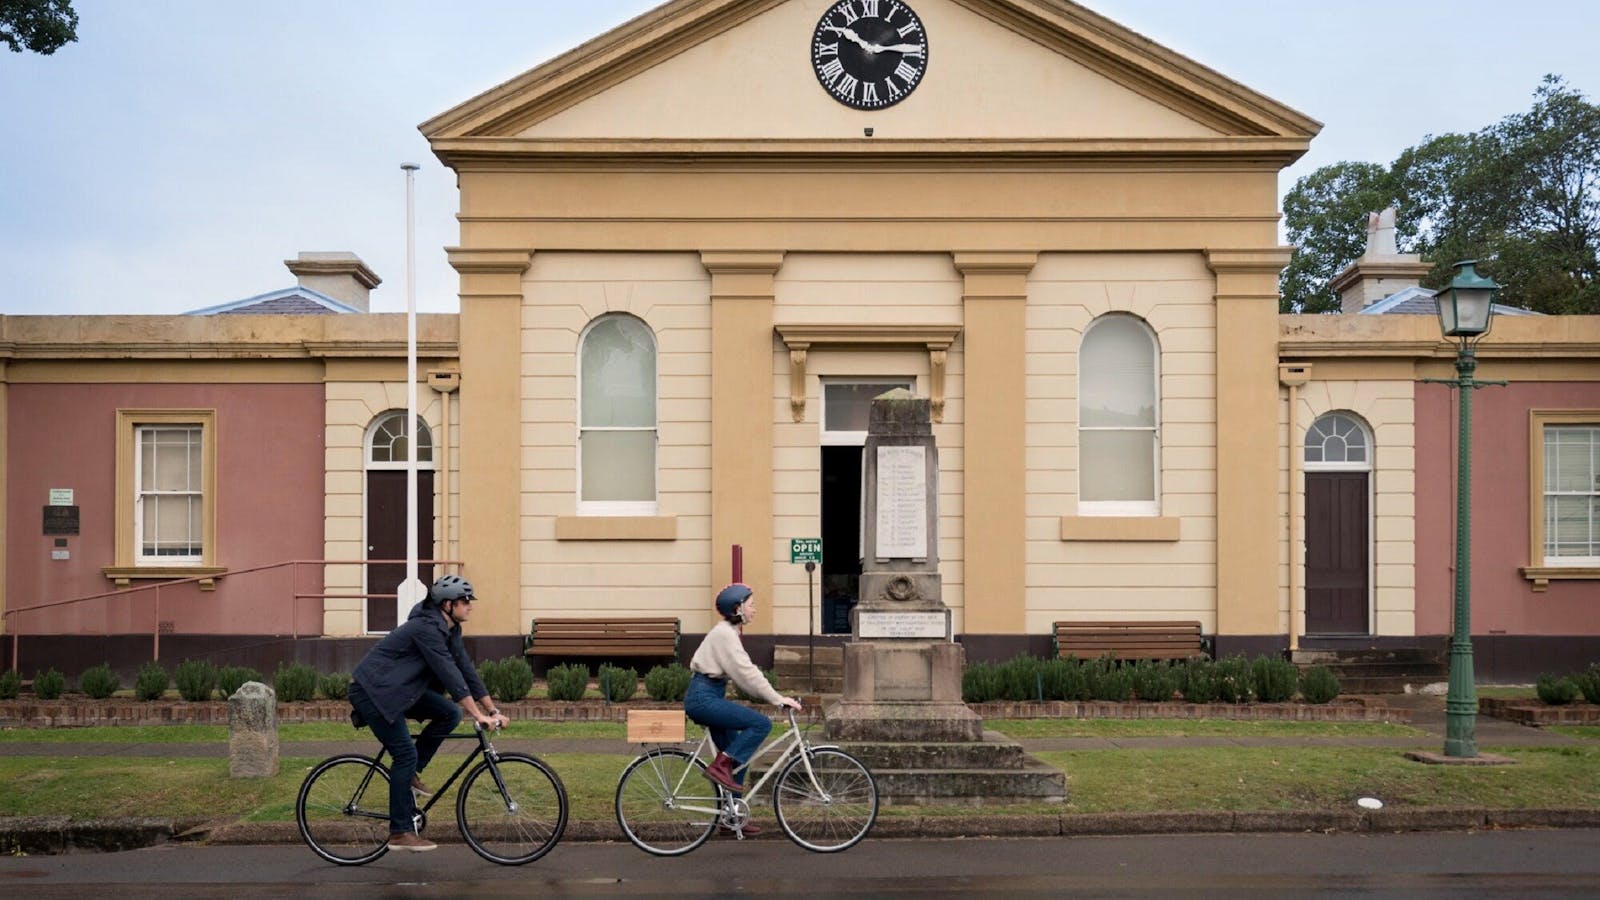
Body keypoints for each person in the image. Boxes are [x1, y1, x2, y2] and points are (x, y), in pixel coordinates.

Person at [348, 574, 509, 852]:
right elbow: (448, 674)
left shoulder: (450, 630)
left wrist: (492, 709)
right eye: (465, 601)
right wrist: (477, 715)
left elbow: (465, 670)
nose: (470, 605)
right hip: (373, 692)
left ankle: (411, 772)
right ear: (447, 605)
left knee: (449, 713)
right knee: (405, 754)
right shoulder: (426, 628)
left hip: (399, 691)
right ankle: (399, 832)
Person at [685, 583, 803, 824]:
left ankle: (732, 818)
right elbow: (746, 673)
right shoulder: (724, 635)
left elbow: (744, 672)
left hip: (709, 696)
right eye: (751, 605)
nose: (755, 610)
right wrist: (777, 699)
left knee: (738, 760)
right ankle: (719, 767)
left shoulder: (728, 632)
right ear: (737, 608)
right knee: (760, 724)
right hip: (703, 698)